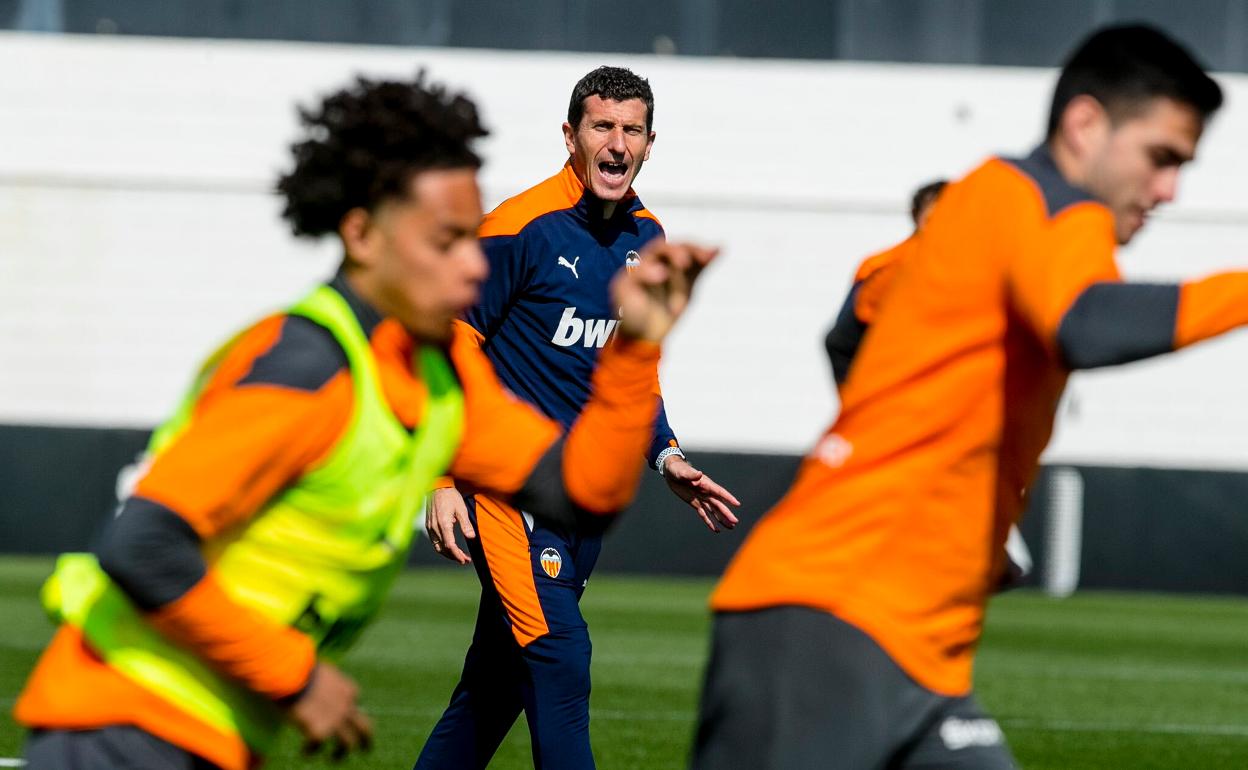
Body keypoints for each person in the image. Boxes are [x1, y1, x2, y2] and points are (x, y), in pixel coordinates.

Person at [11, 71, 720, 770]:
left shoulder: (438, 390)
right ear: (362, 235)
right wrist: (295, 675)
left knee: (497, 686)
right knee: (554, 662)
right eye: (446, 242)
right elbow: (140, 545)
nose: (476, 267)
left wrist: (635, 348)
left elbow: (582, 487)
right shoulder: (303, 366)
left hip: (214, 737)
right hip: (110, 732)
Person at [695, 24, 1239, 769]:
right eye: (1161, 158)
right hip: (828, 619)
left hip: (920, 655)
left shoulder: (1012, 211)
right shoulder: (1043, 203)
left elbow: (852, 337)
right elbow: (1088, 324)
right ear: (1086, 125)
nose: (1171, 188)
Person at [415, 66, 739, 770]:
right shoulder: (518, 227)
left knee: (494, 688)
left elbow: (633, 374)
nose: (617, 143)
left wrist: (666, 456)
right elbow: (445, 343)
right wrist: (441, 478)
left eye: (631, 130)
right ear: (571, 135)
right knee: (561, 657)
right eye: (602, 127)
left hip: (578, 502)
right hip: (506, 493)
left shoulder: (646, 237)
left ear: (651, 144)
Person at [825, 179, 948, 384]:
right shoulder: (886, 267)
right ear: (917, 216)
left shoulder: (980, 262)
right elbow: (841, 343)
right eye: (933, 218)